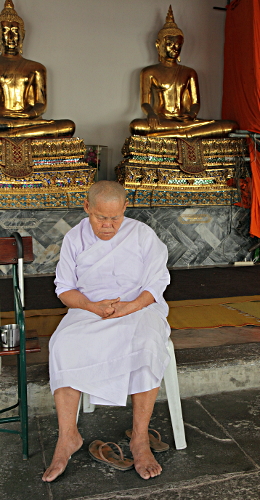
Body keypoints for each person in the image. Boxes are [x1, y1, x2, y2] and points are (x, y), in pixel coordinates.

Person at [42, 180, 172, 482]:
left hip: (138, 307)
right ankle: (67, 438)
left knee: (149, 342)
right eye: (101, 217)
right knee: (62, 343)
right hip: (89, 308)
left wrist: (127, 308)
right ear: (87, 207)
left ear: (125, 208)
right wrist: (92, 306)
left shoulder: (142, 235)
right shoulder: (75, 238)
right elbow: (65, 289)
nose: (108, 225)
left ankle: (139, 439)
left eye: (115, 218)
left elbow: (156, 284)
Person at [130, 5, 238, 139]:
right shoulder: (149, 72)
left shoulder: (189, 72)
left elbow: (195, 103)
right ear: (159, 45)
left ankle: (176, 134)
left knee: (231, 125)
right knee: (136, 126)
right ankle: (184, 134)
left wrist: (192, 114)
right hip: (162, 121)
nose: (175, 49)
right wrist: (151, 114)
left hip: (187, 122)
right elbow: (145, 102)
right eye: (170, 44)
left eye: (178, 45)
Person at [0, 0, 75, 138]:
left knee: (68, 126)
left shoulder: (36, 67)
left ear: (23, 35)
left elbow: (40, 104)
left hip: (28, 121)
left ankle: (12, 134)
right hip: (2, 122)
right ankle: (15, 133)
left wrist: (28, 115)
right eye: (5, 31)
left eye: (15, 32)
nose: (11, 37)